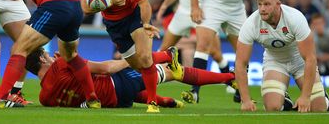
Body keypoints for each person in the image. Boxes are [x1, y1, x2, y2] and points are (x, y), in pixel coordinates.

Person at [80, 0, 163, 113]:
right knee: (135, 64)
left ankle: (153, 102)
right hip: (113, 25)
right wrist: (109, 2)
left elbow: (145, 3)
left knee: (145, 58)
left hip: (134, 17)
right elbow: (84, 8)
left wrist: (146, 23)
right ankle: (167, 56)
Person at [24, 47, 236, 108]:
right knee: (171, 72)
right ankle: (228, 77)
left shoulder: (44, 98)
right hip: (118, 84)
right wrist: (130, 60)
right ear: (43, 59)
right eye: (47, 55)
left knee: (142, 88)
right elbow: (106, 69)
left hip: (116, 103)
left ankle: (163, 100)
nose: (52, 56)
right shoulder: (62, 63)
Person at [235, 0, 329, 113]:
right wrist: (245, 99)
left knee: (318, 109)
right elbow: (240, 63)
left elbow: (310, 58)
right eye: (260, 4)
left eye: (267, 4)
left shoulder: (295, 18)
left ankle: (324, 100)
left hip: (300, 61)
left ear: (278, 4)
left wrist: (305, 97)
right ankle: (284, 99)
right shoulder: (251, 24)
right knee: (272, 107)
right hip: (275, 61)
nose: (262, 9)